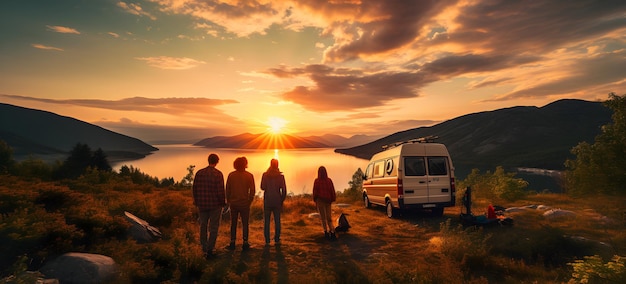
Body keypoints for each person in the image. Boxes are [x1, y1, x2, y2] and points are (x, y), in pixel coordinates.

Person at [192, 153, 225, 259]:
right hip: (215, 205)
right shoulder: (218, 174)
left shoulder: (199, 173)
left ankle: (203, 248)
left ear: (208, 160)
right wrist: (223, 202)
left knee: (203, 226)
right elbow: (220, 191)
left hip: (202, 204)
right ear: (217, 162)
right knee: (214, 227)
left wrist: (196, 201)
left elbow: (195, 189)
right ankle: (210, 249)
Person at [225, 156, 256, 250]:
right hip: (244, 203)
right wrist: (249, 200)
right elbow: (253, 190)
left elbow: (227, 189)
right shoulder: (249, 175)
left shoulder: (231, 175)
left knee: (233, 223)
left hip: (234, 203)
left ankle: (232, 242)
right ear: (245, 164)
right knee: (245, 223)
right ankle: (245, 242)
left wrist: (229, 200)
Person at [260, 159, 287, 246]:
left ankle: (267, 240)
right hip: (277, 201)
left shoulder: (265, 175)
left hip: (268, 200)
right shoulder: (280, 176)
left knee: (267, 221)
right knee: (277, 220)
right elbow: (284, 190)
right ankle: (277, 239)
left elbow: (262, 187)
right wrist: (281, 200)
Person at [312, 166, 337, 240]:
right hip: (328, 201)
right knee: (329, 218)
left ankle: (326, 232)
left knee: (323, 218)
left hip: (320, 201)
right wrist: (333, 198)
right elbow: (332, 190)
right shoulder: (329, 180)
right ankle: (332, 232)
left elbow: (315, 191)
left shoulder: (317, 181)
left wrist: (315, 199)